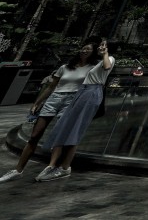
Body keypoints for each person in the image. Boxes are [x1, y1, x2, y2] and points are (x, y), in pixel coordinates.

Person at [0, 42, 98, 183]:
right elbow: (51, 86)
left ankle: (52, 167)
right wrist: (38, 102)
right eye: (83, 48)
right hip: (54, 99)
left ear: (93, 53)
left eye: (88, 49)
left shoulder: (93, 68)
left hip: (72, 100)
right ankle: (17, 170)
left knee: (60, 135)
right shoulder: (64, 67)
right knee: (34, 136)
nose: (84, 51)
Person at [35, 38, 115, 181]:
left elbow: (108, 67)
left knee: (76, 128)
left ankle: (65, 167)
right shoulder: (94, 63)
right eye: (101, 44)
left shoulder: (109, 59)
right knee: (64, 125)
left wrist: (105, 53)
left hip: (92, 92)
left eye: (104, 45)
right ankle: (52, 165)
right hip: (82, 92)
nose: (101, 47)